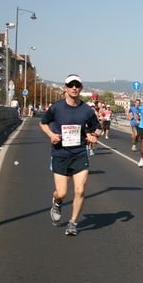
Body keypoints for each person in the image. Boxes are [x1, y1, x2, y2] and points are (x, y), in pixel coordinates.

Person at [40, 74, 101, 236]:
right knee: (62, 193)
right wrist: (51, 135)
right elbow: (43, 123)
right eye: (71, 85)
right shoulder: (56, 108)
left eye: (77, 85)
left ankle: (73, 223)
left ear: (81, 88)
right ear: (65, 88)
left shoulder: (87, 110)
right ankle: (57, 202)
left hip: (80, 153)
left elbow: (97, 127)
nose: (74, 88)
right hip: (60, 153)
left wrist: (93, 135)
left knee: (80, 190)